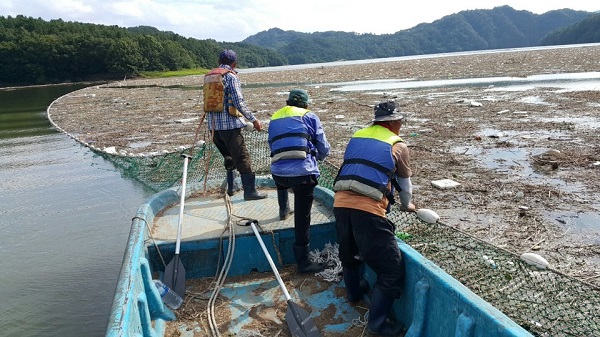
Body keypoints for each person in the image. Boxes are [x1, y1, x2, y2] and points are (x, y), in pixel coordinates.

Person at [333, 100, 415, 337]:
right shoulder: (397, 145)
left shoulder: (358, 136)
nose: (401, 125)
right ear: (391, 123)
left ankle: (354, 293)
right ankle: (377, 325)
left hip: (340, 204)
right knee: (391, 270)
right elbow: (405, 186)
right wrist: (406, 205)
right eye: (400, 121)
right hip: (367, 210)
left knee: (349, 255)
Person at [268, 89, 331, 273]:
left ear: (287, 102)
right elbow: (323, 147)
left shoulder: (275, 117)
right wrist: (318, 157)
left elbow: (272, 143)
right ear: (305, 104)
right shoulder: (309, 116)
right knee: (303, 215)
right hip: (303, 175)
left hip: (278, 175)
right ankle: (303, 262)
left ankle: (283, 208)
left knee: (285, 180)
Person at [203, 49, 266, 200]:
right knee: (242, 158)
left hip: (213, 128)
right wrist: (253, 120)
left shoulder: (210, 76)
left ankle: (231, 188)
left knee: (229, 157)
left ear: (219, 62)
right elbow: (239, 101)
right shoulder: (231, 77)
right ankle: (250, 192)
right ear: (234, 63)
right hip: (229, 127)